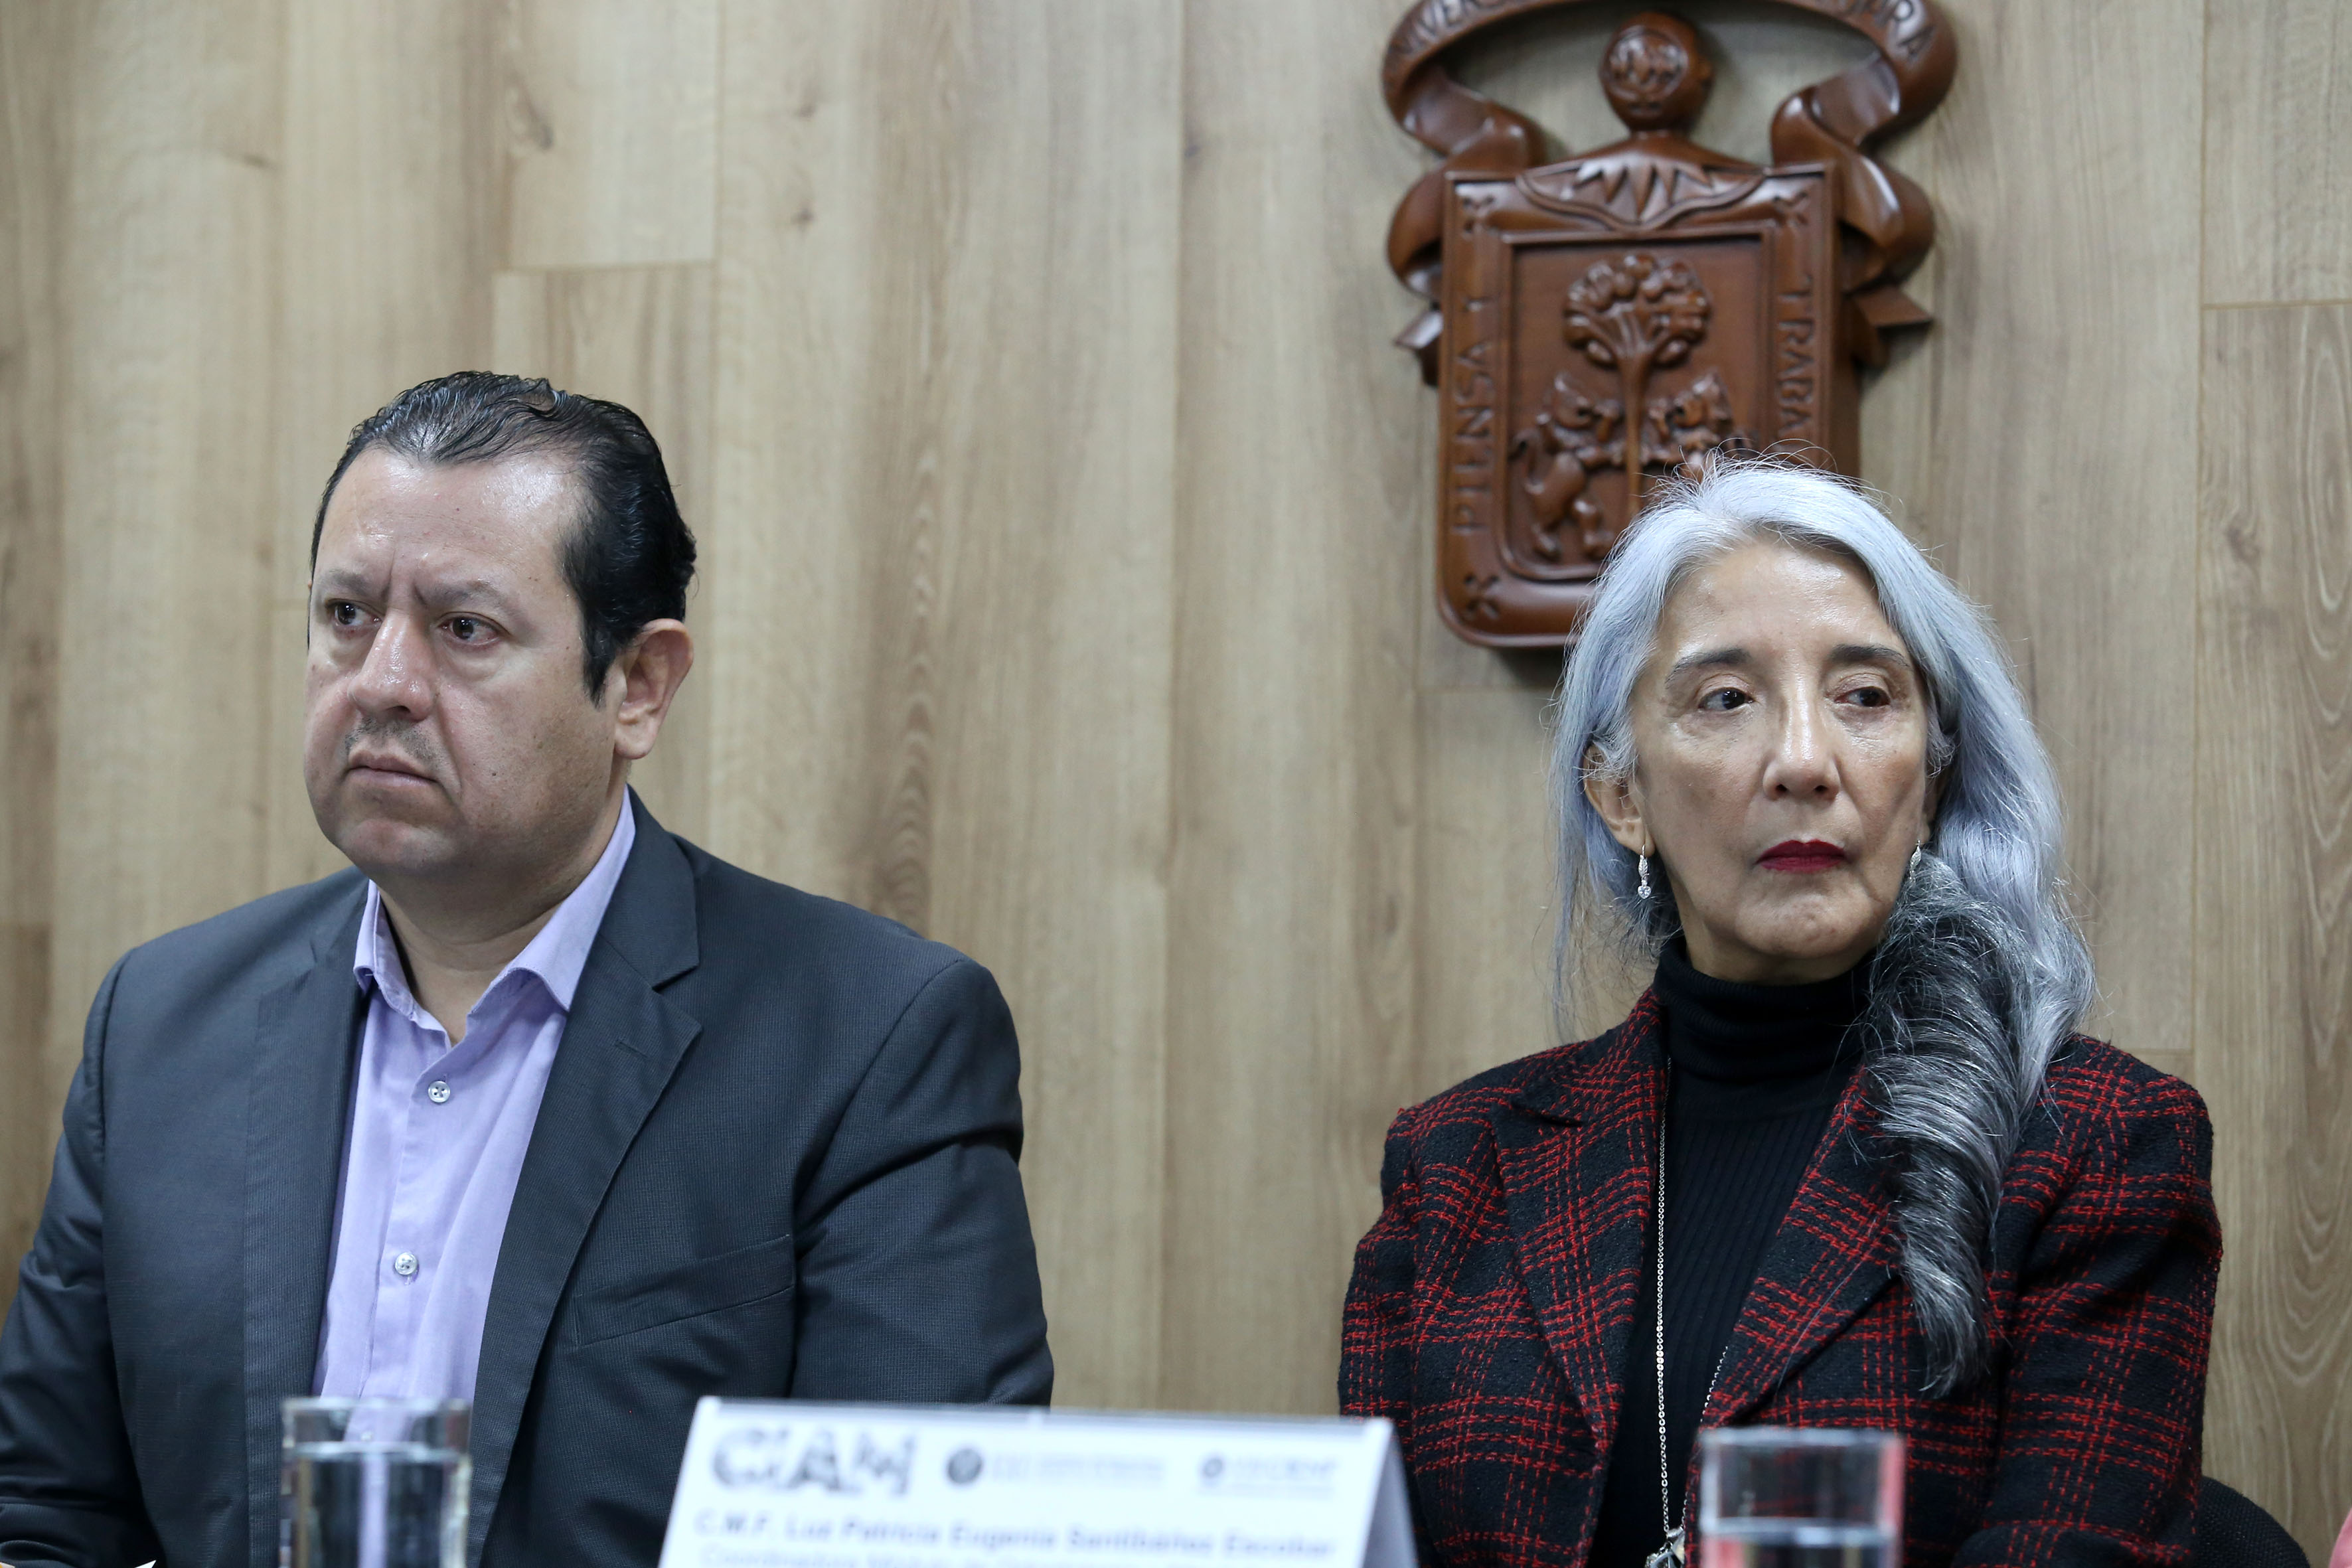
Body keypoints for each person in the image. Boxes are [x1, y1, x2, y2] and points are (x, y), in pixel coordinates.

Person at [0, 373, 1053, 1568]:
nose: (383, 681)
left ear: (638, 686)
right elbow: (42, 1511)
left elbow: (912, 1544)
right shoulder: (162, 1027)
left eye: (465, 629)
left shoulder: (868, 1043)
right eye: (347, 614)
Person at [1342, 459, 2219, 1568]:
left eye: (1866, 696)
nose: (1805, 760)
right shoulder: (1455, 1169)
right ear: (1620, 795)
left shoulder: (2097, 1147)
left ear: (1933, 780)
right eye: (1725, 698)